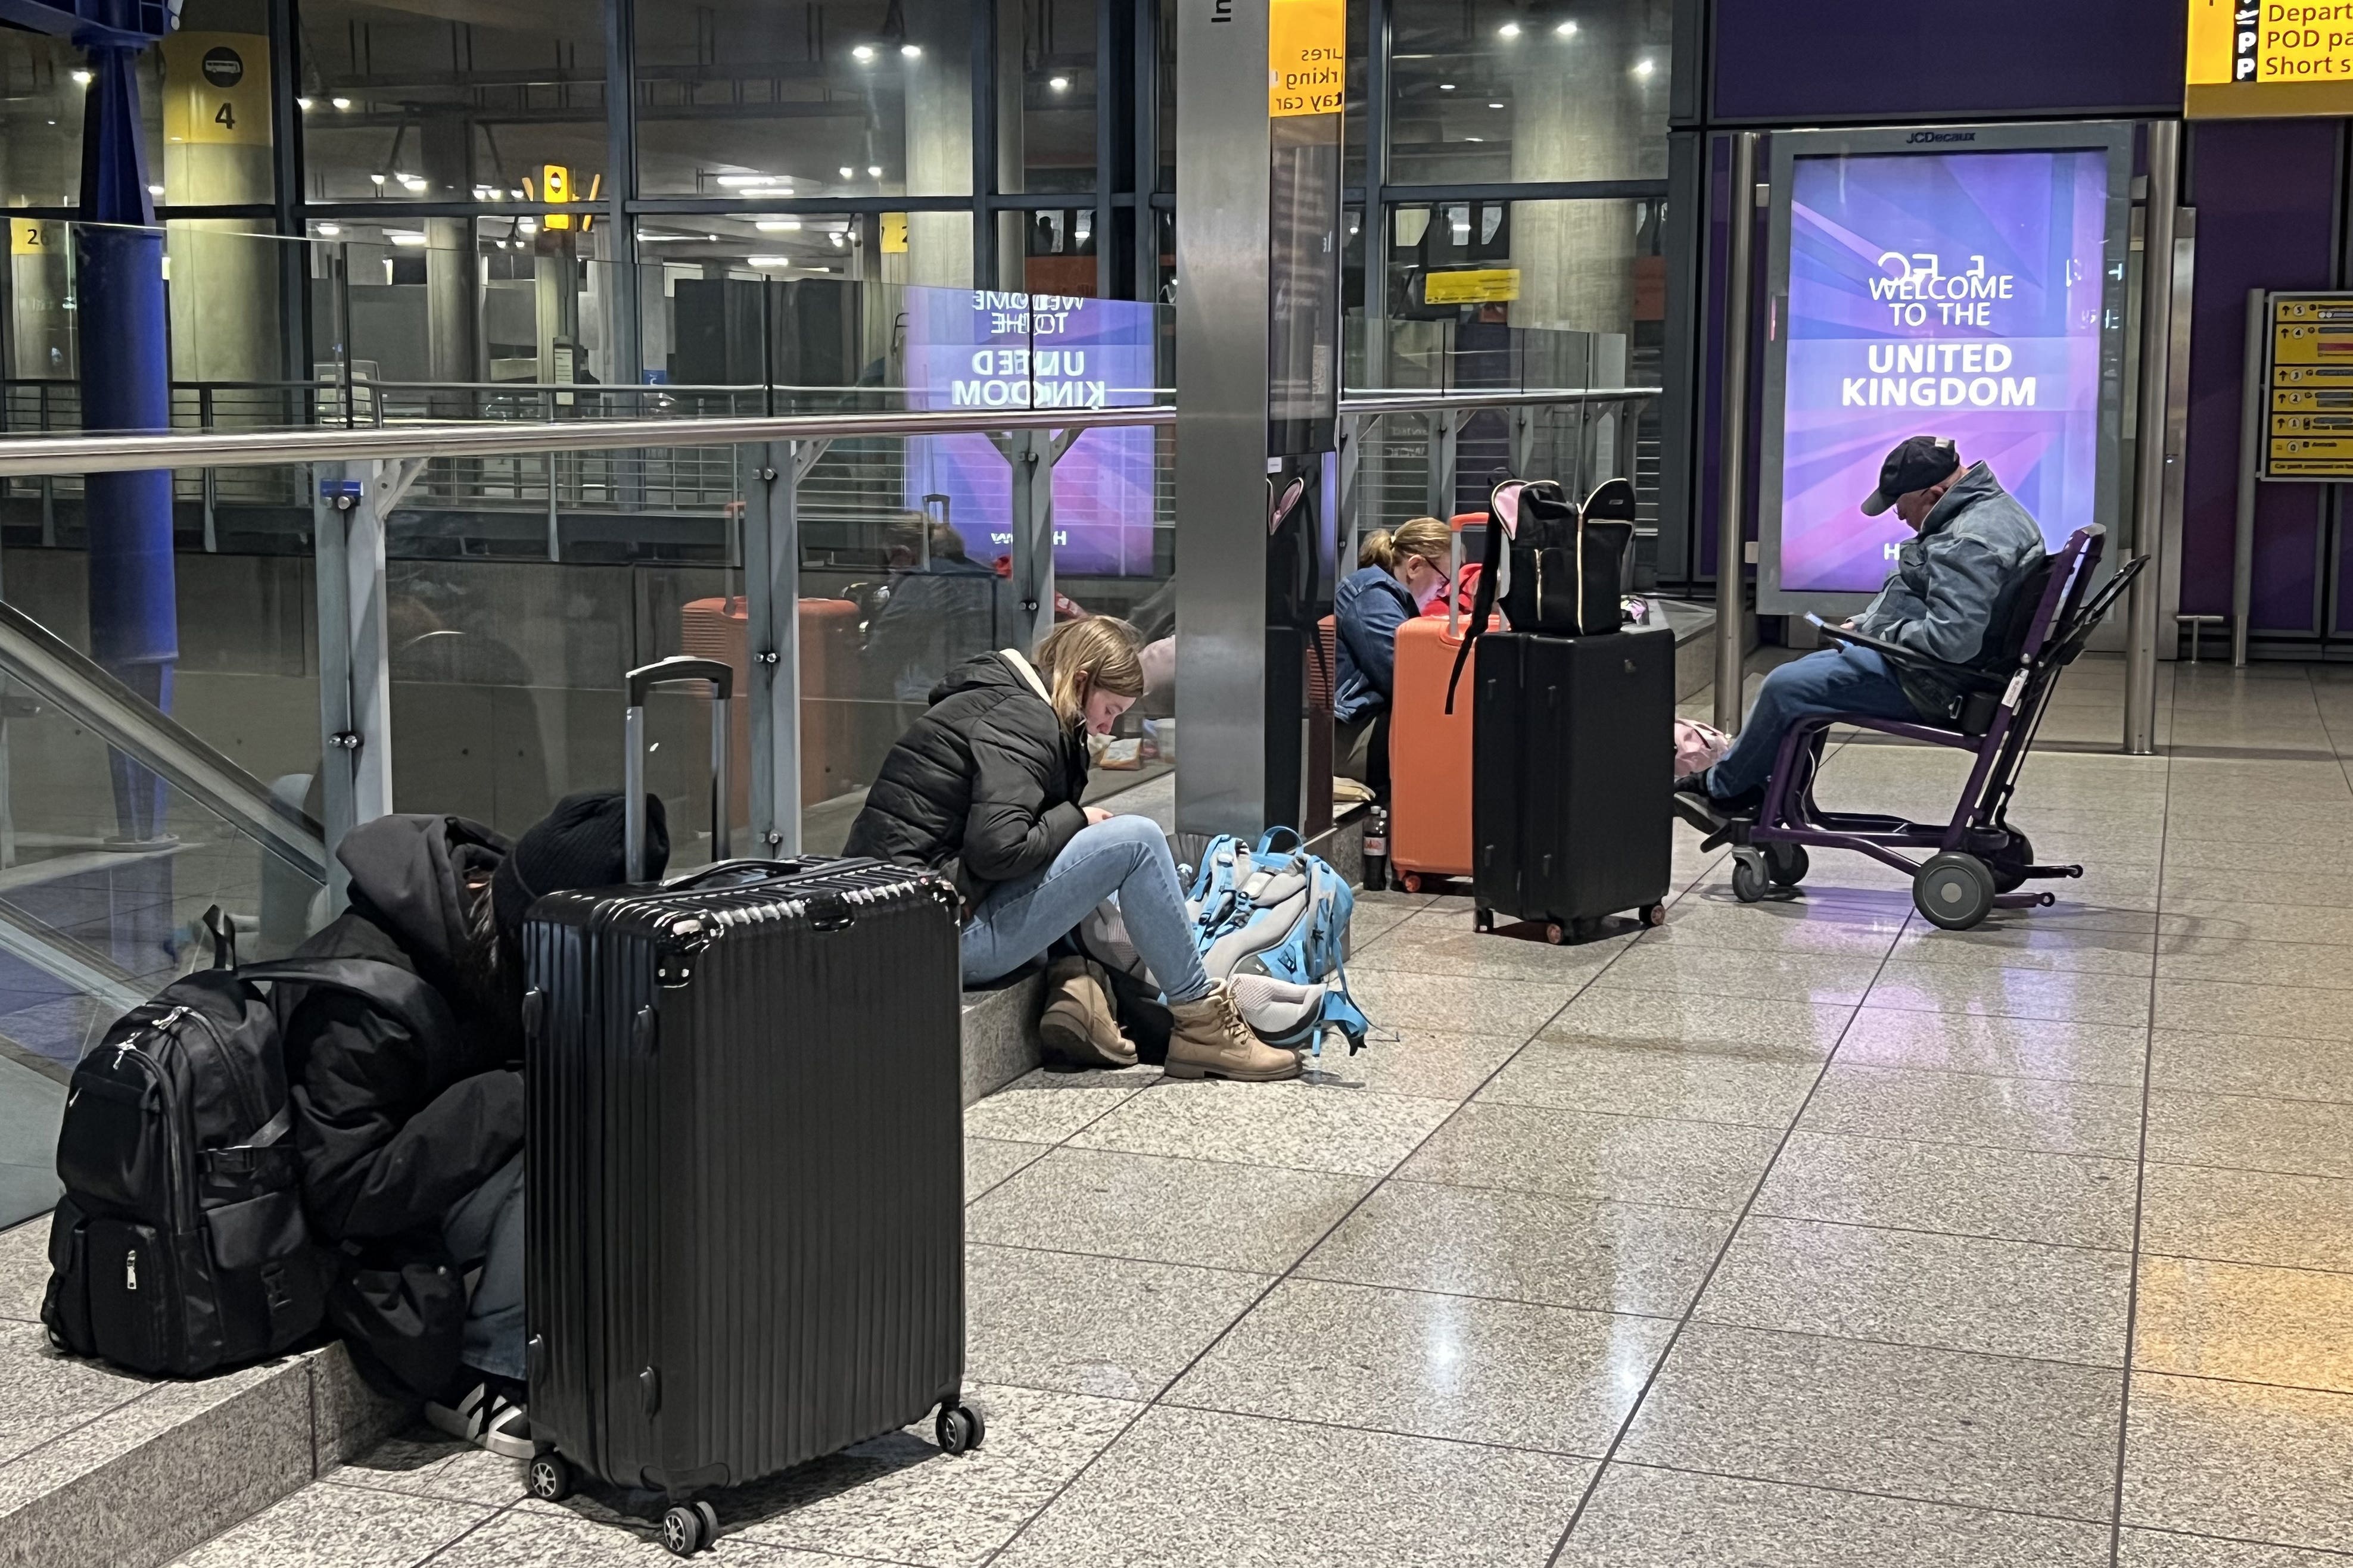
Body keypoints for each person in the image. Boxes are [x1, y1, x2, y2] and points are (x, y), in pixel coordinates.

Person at [281, 792, 669, 1455]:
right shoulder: (367, 992)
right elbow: (344, 1193)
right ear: (536, 932)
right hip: (364, 1223)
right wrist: (517, 1091)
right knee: (564, 1133)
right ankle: (485, 1365)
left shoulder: (507, 931)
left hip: (439, 1185)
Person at [844, 616, 1300, 1082]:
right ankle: (1203, 1026)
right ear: (1081, 681)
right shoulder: (1023, 719)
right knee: (1137, 840)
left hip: (906, 922)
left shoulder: (1003, 700)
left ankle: (1088, 991)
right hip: (935, 936)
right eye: (1109, 708)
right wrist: (1076, 818)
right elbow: (998, 849)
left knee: (1100, 849)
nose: (1108, 725)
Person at [1675, 435, 2047, 827]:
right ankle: (1768, 791)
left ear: (1935, 494)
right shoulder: (1993, 512)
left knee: (1786, 687)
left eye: (1901, 505)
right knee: (1809, 673)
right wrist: (1868, 627)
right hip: (1944, 672)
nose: (1899, 516)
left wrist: (1882, 634)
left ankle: (1724, 792)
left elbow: (1953, 640)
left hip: (1938, 685)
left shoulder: (1972, 539)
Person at [1333, 519, 1452, 797]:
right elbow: (1405, 677)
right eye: (1443, 580)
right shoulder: (1372, 595)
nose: (1444, 591)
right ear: (1414, 566)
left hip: (1364, 730)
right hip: (1357, 738)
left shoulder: (1384, 594)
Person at [863, 515, 1016, 707]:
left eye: (890, 559)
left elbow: (885, 650)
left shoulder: (921, 582)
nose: (890, 568)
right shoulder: (995, 581)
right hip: (998, 695)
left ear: (903, 553)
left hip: (934, 699)